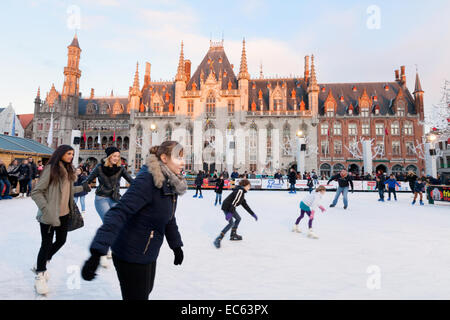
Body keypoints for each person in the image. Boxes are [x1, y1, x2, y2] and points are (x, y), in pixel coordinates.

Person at [81, 141, 187, 300]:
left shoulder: (170, 181)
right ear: (164, 158)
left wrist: (176, 245)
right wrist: (97, 252)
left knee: (144, 292)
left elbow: (168, 217)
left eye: (183, 158)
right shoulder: (148, 181)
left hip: (148, 251)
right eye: (178, 158)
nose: (183, 162)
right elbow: (118, 213)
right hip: (130, 253)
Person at [31, 145, 91, 295]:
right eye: (68, 153)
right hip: (49, 215)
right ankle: (40, 275)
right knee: (46, 244)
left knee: (61, 240)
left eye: (72, 154)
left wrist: (82, 188)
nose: (71, 156)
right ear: (61, 154)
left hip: (64, 214)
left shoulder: (68, 170)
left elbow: (67, 192)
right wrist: (46, 209)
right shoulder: (51, 168)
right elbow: (36, 192)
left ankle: (43, 262)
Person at [83, 146, 134, 267]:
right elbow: (87, 180)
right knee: (109, 223)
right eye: (114, 156)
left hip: (115, 198)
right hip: (102, 198)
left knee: (118, 223)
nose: (116, 158)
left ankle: (112, 248)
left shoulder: (121, 169)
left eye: (118, 156)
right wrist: (85, 185)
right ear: (109, 157)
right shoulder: (99, 167)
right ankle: (102, 252)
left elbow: (132, 181)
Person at [213, 179, 257, 248]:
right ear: (245, 186)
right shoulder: (240, 191)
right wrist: (230, 213)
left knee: (238, 218)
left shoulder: (242, 193)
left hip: (231, 207)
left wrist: (252, 214)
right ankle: (218, 239)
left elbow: (245, 205)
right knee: (231, 223)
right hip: (227, 207)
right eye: (249, 186)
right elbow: (234, 202)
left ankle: (233, 234)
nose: (249, 188)